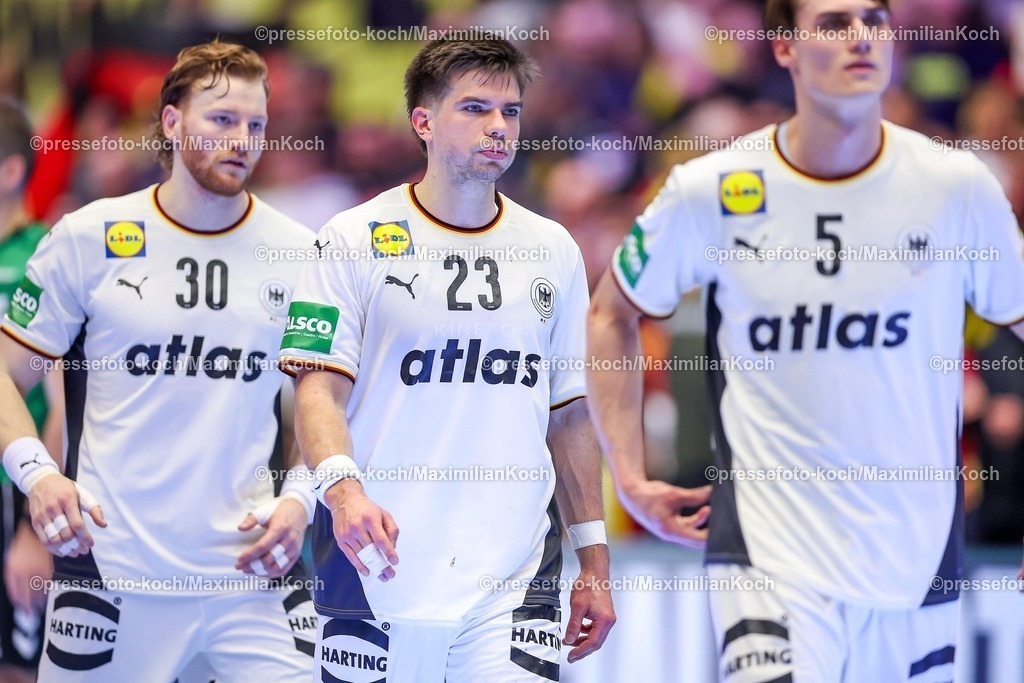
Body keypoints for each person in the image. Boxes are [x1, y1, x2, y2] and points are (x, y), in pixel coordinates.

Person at [586, 1, 1024, 681]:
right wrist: (632, 475)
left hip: (913, 561)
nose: (860, 39)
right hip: (766, 552)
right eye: (834, 23)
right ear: (784, 47)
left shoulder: (955, 188)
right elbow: (610, 312)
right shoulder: (712, 189)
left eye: (874, 21)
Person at [280, 38, 615, 682]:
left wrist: (594, 562)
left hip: (513, 576)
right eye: (475, 108)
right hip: (377, 566)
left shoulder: (552, 249)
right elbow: (317, 393)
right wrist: (343, 495)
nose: (498, 127)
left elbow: (569, 414)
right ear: (423, 121)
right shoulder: (349, 238)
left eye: (511, 112)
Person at [0, 41, 318, 681]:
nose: (242, 139)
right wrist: (39, 477)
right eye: (222, 120)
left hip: (253, 576)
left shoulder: (303, 252)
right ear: (171, 122)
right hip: (111, 576)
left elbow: (324, 401)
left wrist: (304, 499)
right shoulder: (87, 239)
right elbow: (7, 373)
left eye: (255, 125)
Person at [0, 96, 63, 683]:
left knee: (19, 669)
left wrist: (32, 527)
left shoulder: (51, 257)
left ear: (10, 171)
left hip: (16, 494)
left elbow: (65, 405)